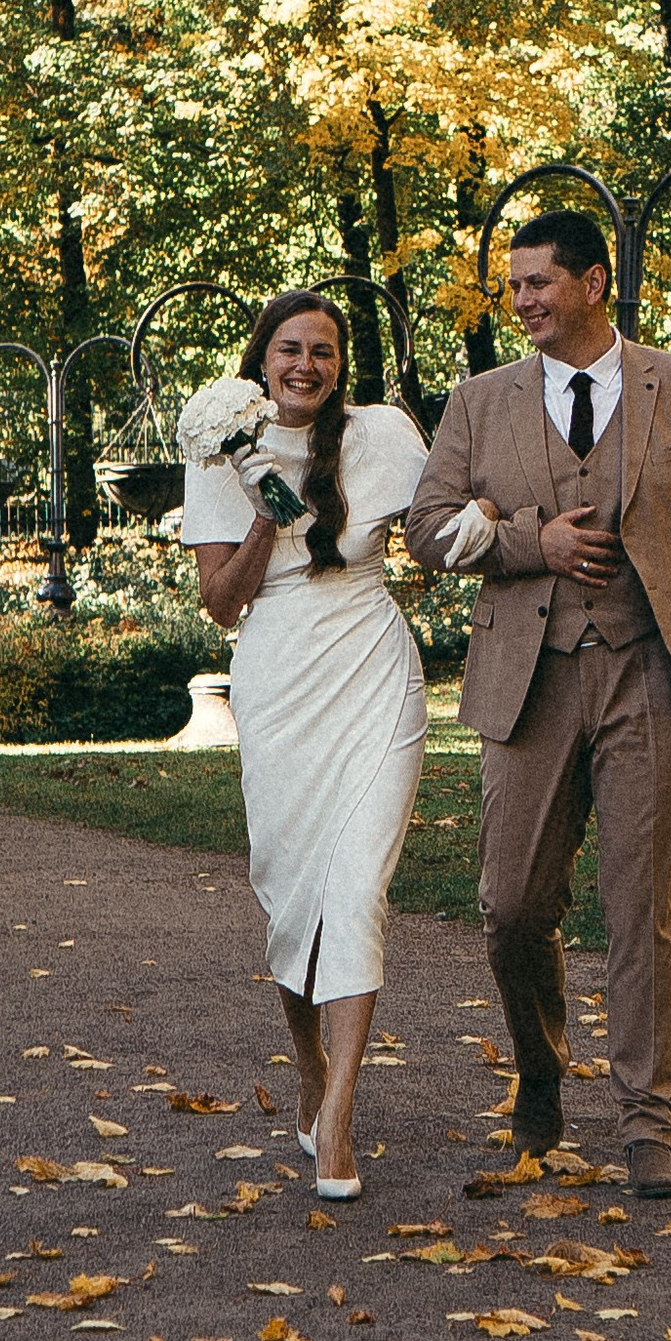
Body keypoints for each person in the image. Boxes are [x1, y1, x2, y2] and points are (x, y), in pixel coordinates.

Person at [406, 209, 671, 1199]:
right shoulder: (479, 402)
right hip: (528, 679)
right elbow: (425, 527)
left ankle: (647, 1124)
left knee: (642, 911)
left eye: (538, 282)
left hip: (656, 673)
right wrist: (532, 541)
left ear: (592, 284)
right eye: (515, 286)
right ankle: (540, 1078)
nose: (522, 301)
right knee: (510, 906)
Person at [182, 291, 429, 1199]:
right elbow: (221, 602)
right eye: (290, 349)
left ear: (341, 363)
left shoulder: (383, 434)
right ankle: (309, 1065)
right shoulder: (217, 446)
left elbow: (437, 531)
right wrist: (262, 509)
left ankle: (340, 1124)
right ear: (262, 357)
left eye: (324, 351)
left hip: (371, 665)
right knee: (294, 899)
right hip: (279, 674)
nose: (307, 366)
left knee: (356, 889)